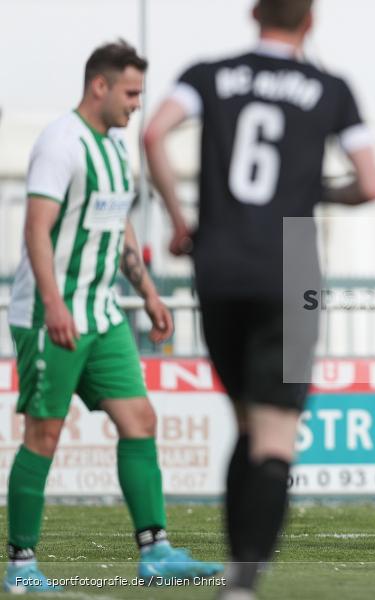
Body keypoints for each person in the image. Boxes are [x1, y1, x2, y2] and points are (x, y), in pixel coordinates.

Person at [143, 0, 375, 595]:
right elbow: (371, 184)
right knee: (275, 434)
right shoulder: (331, 89)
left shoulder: (207, 74)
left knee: (246, 423)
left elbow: (152, 133)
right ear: (310, 21)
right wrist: (314, 190)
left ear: (254, 13)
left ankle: (236, 572)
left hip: (219, 260)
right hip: (291, 263)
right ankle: (243, 584)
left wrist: (180, 220)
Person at [3, 40, 222, 594]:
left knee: (140, 420)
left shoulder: (114, 147)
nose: (136, 104)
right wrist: (54, 304)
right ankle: (21, 565)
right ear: (99, 86)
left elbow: (116, 225)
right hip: (51, 316)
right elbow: (35, 228)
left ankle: (156, 553)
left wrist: (147, 292)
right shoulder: (61, 142)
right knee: (44, 434)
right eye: (130, 93)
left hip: (102, 316)